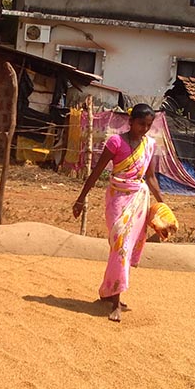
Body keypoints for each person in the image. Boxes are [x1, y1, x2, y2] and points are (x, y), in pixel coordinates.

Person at [72, 104, 165, 322]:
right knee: (119, 245)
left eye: (149, 125)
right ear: (130, 121)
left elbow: (150, 177)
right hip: (117, 198)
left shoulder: (149, 145)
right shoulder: (116, 142)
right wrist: (80, 198)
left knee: (124, 248)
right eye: (141, 123)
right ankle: (114, 299)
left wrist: (163, 204)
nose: (144, 129)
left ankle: (111, 294)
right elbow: (97, 171)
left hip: (138, 200)